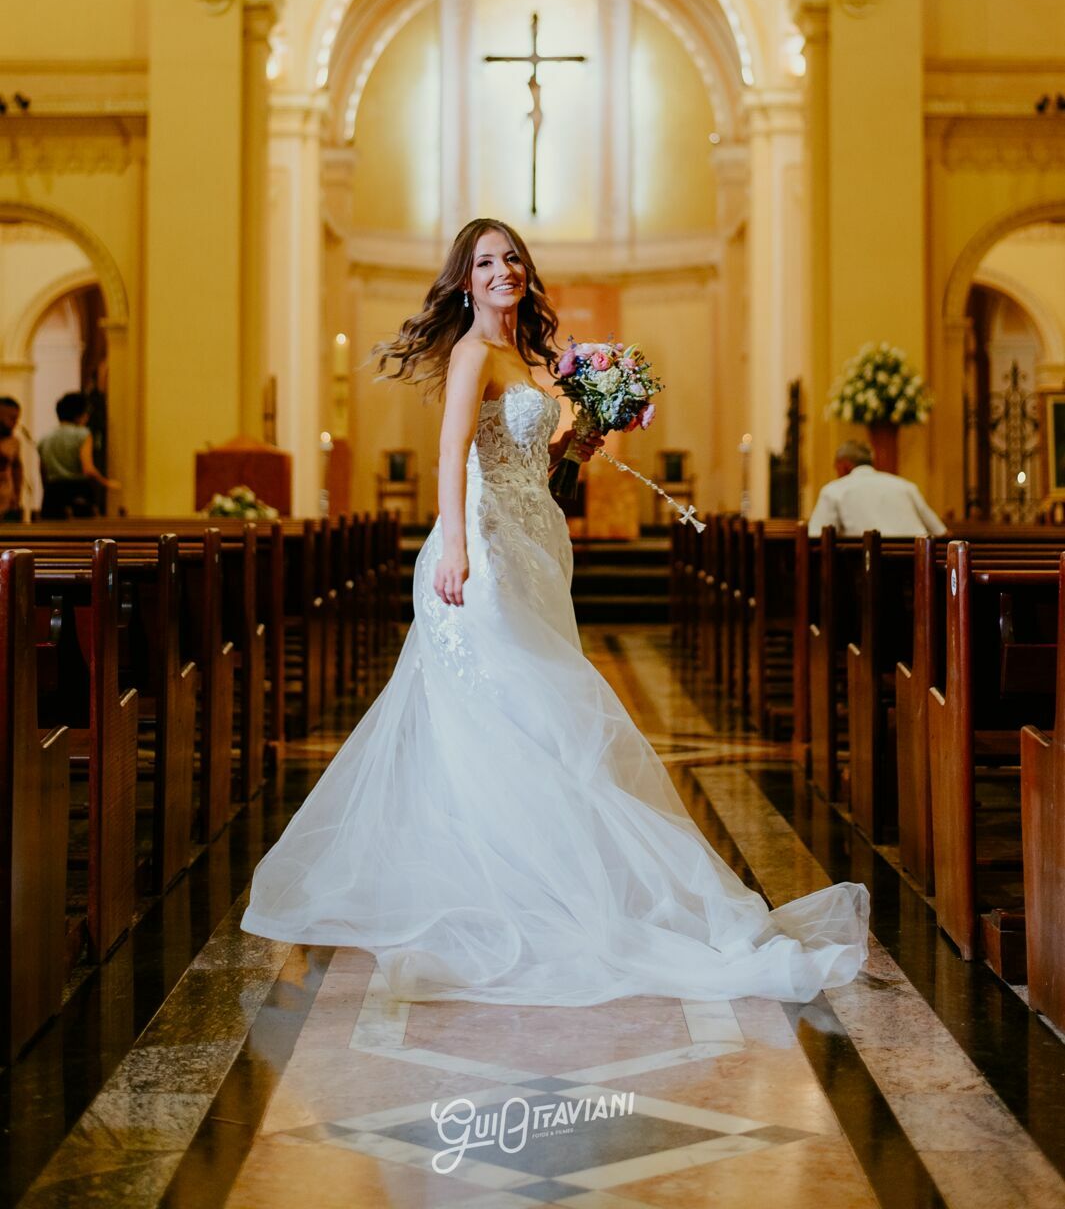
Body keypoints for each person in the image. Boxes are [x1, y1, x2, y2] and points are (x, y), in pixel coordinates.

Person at [241, 218, 869, 1005]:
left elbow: (527, 464)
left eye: (510, 259)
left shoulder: (528, 359)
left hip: (533, 544)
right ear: (464, 280)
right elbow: (453, 453)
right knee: (541, 716)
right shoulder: (471, 352)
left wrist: (575, 447)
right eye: (484, 262)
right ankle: (524, 897)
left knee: (528, 721)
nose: (501, 270)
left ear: (524, 272)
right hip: (485, 556)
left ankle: (525, 883)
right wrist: (457, 547)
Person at [808, 439, 947, 538]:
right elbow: (941, 532)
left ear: (844, 466)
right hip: (915, 567)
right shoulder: (906, 486)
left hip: (863, 569)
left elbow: (816, 537)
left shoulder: (833, 491)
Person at [37, 390, 120, 520]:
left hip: (52, 493)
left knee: (51, 534)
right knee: (84, 534)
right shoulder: (82, 434)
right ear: (79, 415)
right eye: (86, 413)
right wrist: (106, 483)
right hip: (78, 490)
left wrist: (48, 489)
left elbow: (42, 471)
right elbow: (88, 469)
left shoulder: (44, 438)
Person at [0, 397, 23, 521]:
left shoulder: (14, 442)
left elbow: (17, 469)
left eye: (17, 418)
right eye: (12, 418)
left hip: (6, 502)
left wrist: (17, 495)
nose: (15, 423)